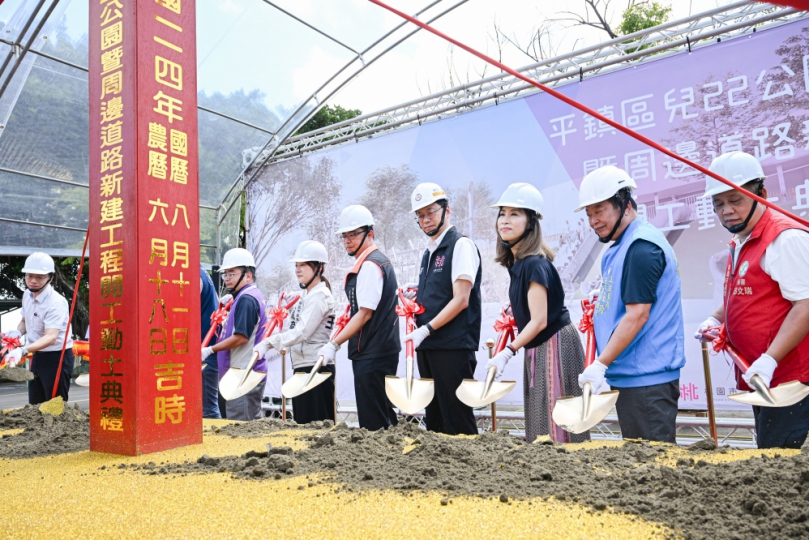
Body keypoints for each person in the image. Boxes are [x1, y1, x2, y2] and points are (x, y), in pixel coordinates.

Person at [695, 151, 809, 449]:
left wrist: (770, 360)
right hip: (761, 376)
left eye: (735, 199)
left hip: (789, 380)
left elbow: (806, 305)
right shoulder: (741, 240)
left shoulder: (785, 239)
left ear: (762, 194)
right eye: (718, 203)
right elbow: (741, 294)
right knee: (769, 453)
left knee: (779, 462)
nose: (726, 211)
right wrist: (716, 319)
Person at [576, 166, 685, 443]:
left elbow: (637, 315)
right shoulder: (620, 247)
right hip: (633, 375)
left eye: (599, 210)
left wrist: (600, 364)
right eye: (589, 213)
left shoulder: (641, 247)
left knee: (653, 467)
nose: (593, 221)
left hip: (646, 380)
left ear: (624, 203)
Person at [486, 183, 589, 444]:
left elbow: (540, 320)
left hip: (554, 343)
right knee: (540, 416)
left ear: (531, 222)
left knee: (558, 420)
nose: (505, 220)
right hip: (539, 346)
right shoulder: (520, 263)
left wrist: (506, 353)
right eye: (502, 213)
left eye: (515, 214)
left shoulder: (535, 263)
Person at [404, 182, 482, 436]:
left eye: (431, 212)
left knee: (457, 418)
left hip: (452, 346)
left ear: (447, 210)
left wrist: (426, 329)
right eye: (420, 215)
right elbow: (441, 292)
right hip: (429, 346)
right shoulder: (429, 252)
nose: (425, 220)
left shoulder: (461, 246)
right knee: (435, 419)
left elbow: (461, 299)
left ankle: (472, 474)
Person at [318, 205, 401, 431]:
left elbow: (364, 313)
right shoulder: (373, 262)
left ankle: (383, 463)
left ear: (370, 234)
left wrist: (334, 344)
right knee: (381, 413)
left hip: (373, 352)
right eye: (345, 236)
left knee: (374, 420)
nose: (348, 240)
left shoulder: (371, 265)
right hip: (377, 350)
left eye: (353, 234)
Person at [254, 241, 336, 424]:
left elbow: (302, 332)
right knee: (304, 425)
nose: (298, 270)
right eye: (296, 265)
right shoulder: (310, 295)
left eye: (304, 265)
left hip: (315, 368)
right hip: (305, 367)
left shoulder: (319, 295)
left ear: (319, 268)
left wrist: (269, 342)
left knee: (315, 428)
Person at [201, 248, 268, 421]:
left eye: (232, 273)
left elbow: (241, 337)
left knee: (242, 430)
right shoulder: (244, 297)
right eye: (226, 274)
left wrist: (211, 350)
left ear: (248, 275)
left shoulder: (247, 299)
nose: (227, 278)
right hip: (238, 374)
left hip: (244, 374)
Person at [6, 252, 74, 405]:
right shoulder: (27, 296)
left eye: (40, 277)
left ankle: (59, 429)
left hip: (57, 357)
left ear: (51, 278)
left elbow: (51, 337)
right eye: (29, 276)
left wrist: (23, 350)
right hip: (37, 356)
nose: (33, 281)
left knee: (54, 406)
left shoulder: (56, 302)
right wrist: (18, 332)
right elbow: (24, 321)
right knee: (35, 404)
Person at [200, 264, 221, 419]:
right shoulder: (202, 274)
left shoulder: (195, 276)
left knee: (208, 409)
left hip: (204, 354)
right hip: (206, 351)